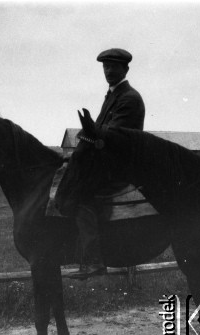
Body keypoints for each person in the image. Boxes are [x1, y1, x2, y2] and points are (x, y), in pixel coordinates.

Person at [70, 48, 145, 278]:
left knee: (81, 195)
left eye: (114, 66)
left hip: (119, 165)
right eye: (106, 66)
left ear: (126, 69)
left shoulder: (129, 98)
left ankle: (94, 261)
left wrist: (90, 134)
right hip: (108, 161)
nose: (109, 70)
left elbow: (112, 137)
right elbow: (99, 132)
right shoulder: (113, 95)